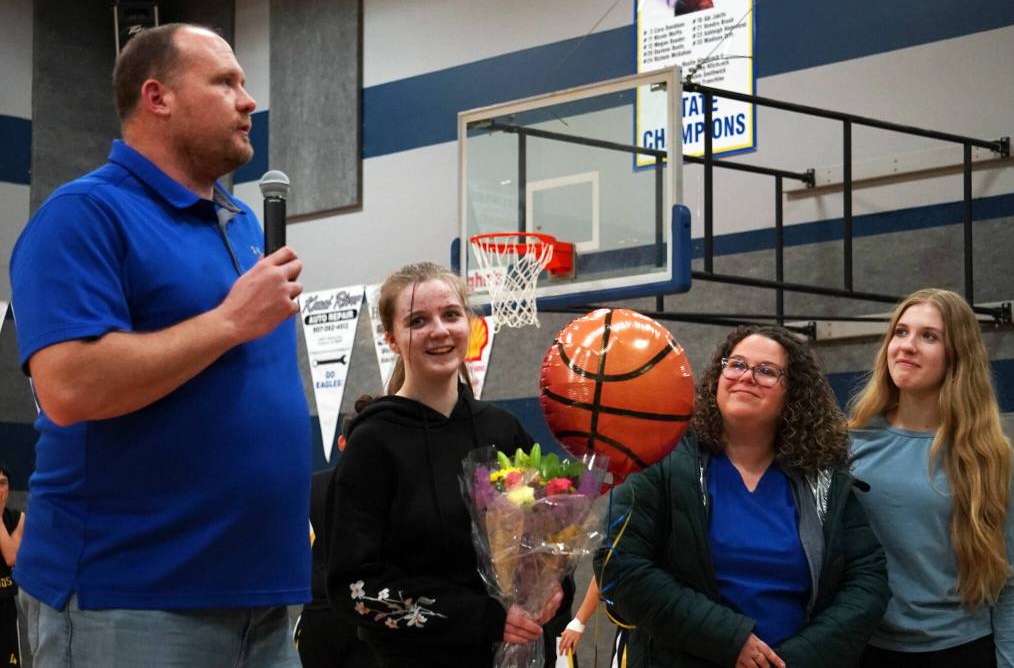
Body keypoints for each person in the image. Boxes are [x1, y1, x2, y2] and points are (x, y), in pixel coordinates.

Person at [9, 23, 310, 667]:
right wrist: (230, 320)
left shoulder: (242, 223)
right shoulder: (84, 214)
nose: (248, 100)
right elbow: (68, 387)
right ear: (158, 97)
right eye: (225, 82)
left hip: (263, 600)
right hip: (130, 598)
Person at [594, 325, 890, 667]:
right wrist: (729, 640)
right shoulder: (664, 462)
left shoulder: (822, 478)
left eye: (766, 371)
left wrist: (798, 658)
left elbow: (868, 583)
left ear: (792, 393)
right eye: (735, 365)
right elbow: (618, 565)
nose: (746, 377)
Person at [324, 262, 563, 668]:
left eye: (451, 314)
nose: (439, 330)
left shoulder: (503, 430)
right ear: (392, 339)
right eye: (418, 321)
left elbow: (551, 535)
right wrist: (483, 618)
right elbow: (353, 587)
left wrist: (553, 590)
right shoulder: (374, 442)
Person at [848, 288, 1014, 667]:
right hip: (866, 647)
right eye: (901, 332)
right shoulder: (850, 443)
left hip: (960, 649)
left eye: (929, 336)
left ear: (957, 355)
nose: (907, 346)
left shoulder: (990, 456)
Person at [295, 434, 374, 668]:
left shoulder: (312, 485)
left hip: (323, 607)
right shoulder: (381, 488)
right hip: (361, 607)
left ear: (342, 442)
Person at [0, 466, 24, 666]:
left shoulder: (18, 519)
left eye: (2, 483)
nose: (0, 490)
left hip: (6, 604)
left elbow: (12, 557)